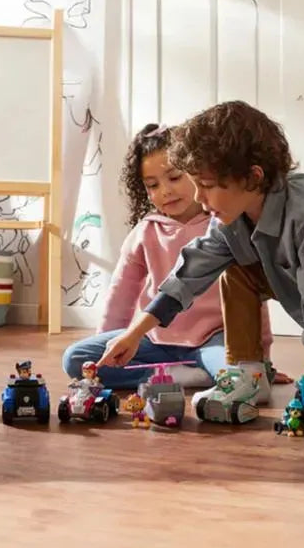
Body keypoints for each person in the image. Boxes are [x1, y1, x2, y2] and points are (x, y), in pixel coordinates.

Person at [98, 101, 304, 407]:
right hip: (300, 285)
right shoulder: (230, 217)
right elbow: (191, 272)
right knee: (234, 268)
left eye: (207, 185)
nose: (199, 198)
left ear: (253, 177)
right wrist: (135, 333)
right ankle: (250, 374)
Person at [62, 122, 288, 398]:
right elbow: (121, 296)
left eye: (174, 177)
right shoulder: (145, 232)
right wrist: (110, 346)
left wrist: (262, 361)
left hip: (214, 339)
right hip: (155, 339)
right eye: (153, 185)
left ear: (196, 173)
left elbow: (253, 297)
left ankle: (190, 374)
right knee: (76, 359)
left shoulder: (225, 225)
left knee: (241, 376)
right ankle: (180, 375)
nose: (165, 191)